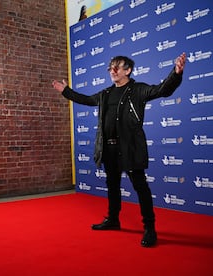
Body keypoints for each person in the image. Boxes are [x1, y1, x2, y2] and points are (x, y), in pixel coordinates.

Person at [52, 53, 186, 247]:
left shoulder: (138, 89)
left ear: (128, 70)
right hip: (109, 149)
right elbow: (87, 100)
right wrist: (66, 91)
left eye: (117, 67)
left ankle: (150, 228)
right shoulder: (106, 93)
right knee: (112, 185)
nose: (112, 71)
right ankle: (113, 220)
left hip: (129, 148)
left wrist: (176, 73)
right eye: (110, 68)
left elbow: (162, 90)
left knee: (140, 187)